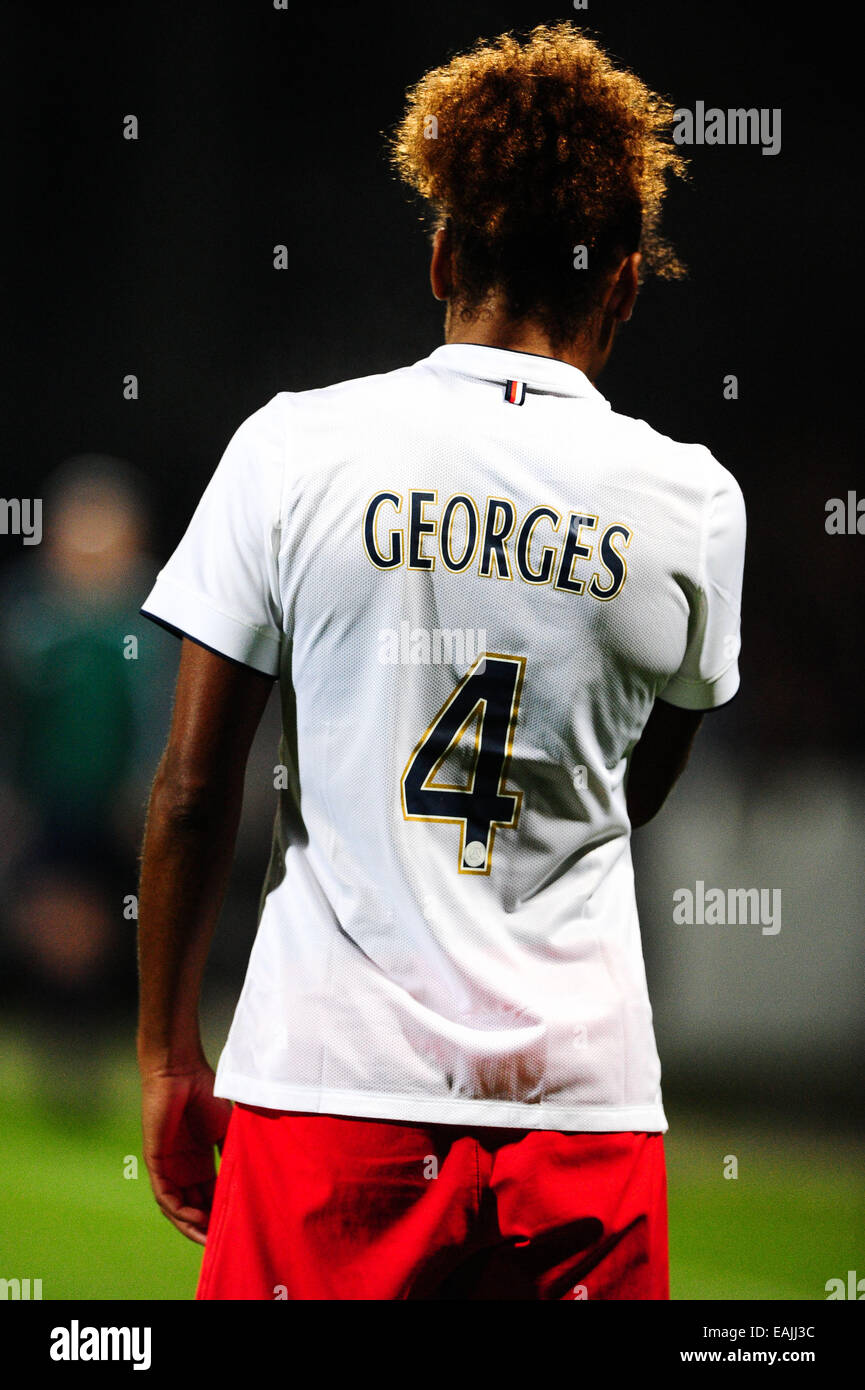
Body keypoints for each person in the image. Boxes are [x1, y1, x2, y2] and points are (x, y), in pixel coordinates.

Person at [136, 23, 746, 1300]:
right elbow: (638, 784)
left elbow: (194, 791)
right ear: (624, 283)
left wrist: (164, 1061)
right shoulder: (694, 500)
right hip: (582, 1122)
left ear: (438, 255)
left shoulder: (294, 448)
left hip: (327, 1099)